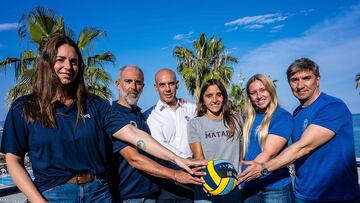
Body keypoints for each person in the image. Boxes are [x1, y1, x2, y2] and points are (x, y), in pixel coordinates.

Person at [0, 35, 205, 203]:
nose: (68, 67)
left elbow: (134, 134)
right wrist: (38, 201)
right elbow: (13, 160)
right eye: (60, 60)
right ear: (47, 63)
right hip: (53, 194)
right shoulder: (24, 107)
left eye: (74, 61)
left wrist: (176, 159)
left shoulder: (94, 104)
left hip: (98, 193)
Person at [239, 58, 360, 202]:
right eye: (294, 80)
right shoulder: (296, 114)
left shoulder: (333, 107)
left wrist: (263, 168)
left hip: (336, 194)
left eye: (306, 78)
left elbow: (303, 147)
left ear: (318, 79)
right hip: (303, 194)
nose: (300, 85)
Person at [111, 65, 204, 202]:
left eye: (138, 82)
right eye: (128, 81)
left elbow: (148, 145)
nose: (133, 87)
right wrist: (177, 171)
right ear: (118, 84)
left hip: (152, 192)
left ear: (143, 86)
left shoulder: (140, 116)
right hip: (130, 196)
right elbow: (134, 159)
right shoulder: (115, 116)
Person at [145, 68, 197, 203]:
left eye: (171, 83)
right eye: (162, 85)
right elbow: (160, 143)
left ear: (177, 84)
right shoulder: (150, 115)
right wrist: (187, 159)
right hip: (166, 182)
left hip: (192, 177)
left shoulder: (191, 109)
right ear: (156, 87)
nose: (167, 89)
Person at [240, 74, 294, 202]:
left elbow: (269, 153)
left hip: (275, 187)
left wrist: (242, 176)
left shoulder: (282, 117)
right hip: (249, 186)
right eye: (253, 93)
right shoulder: (246, 119)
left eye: (263, 90)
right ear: (249, 97)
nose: (259, 96)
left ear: (270, 90)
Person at [187, 79, 242, 203]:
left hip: (232, 186)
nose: (215, 100)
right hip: (207, 187)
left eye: (219, 94)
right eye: (209, 96)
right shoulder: (195, 124)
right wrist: (208, 183)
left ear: (224, 97)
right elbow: (199, 158)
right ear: (203, 100)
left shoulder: (236, 120)